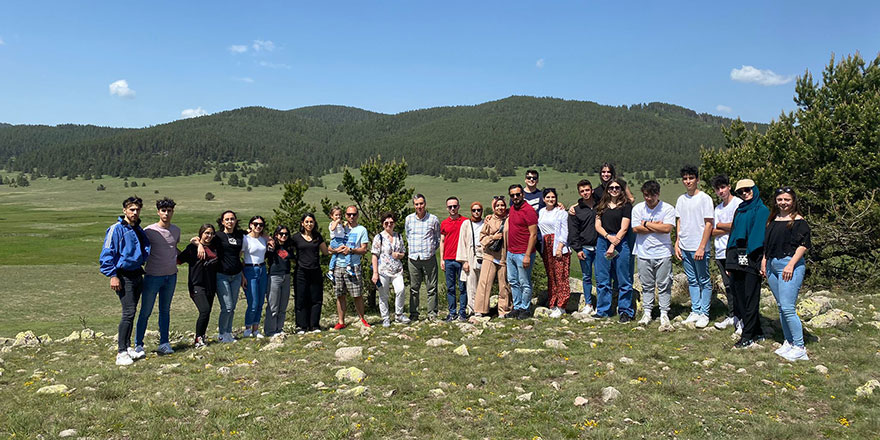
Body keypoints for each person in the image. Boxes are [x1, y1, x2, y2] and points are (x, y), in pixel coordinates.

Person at [99, 196, 151, 366]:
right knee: (128, 312)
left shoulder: (137, 229)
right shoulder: (116, 229)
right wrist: (113, 275)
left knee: (132, 311)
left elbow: (144, 247)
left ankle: (128, 347)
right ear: (124, 210)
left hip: (137, 273)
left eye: (137, 209)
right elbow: (107, 252)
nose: (135, 212)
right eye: (131, 209)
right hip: (123, 275)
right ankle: (121, 352)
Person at [763, 187, 811, 361]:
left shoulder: (799, 221)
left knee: (788, 307)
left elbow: (803, 245)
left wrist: (790, 265)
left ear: (793, 201)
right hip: (772, 264)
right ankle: (788, 341)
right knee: (781, 307)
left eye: (787, 200)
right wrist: (764, 261)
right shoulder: (773, 219)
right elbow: (767, 242)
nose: (783, 203)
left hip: (789, 264)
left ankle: (799, 346)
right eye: (780, 199)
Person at [726, 179, 769, 349]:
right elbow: (733, 234)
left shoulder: (762, 210)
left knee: (750, 295)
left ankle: (747, 335)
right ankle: (756, 330)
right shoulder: (740, 209)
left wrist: (761, 261)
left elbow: (761, 237)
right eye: (741, 192)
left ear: (754, 189)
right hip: (736, 255)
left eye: (747, 190)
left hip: (753, 255)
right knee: (739, 295)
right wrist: (729, 260)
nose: (744, 193)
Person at [135, 197, 181, 356]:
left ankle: (164, 343)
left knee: (165, 311)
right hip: (153, 276)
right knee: (145, 311)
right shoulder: (149, 231)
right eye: (163, 210)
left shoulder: (176, 230)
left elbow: (174, 249)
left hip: (171, 276)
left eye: (169, 211)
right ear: (158, 212)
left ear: (172, 212)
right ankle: (138, 344)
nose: (166, 213)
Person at [674, 165, 715, 329]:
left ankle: (704, 313)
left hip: (699, 247)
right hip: (685, 246)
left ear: (697, 179)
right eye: (685, 178)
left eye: (691, 178)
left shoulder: (705, 198)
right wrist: (677, 242)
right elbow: (679, 221)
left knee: (704, 280)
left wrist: (702, 246)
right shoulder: (681, 199)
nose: (688, 181)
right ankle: (695, 310)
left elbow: (709, 224)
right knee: (692, 280)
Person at [631, 180, 676, 328]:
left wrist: (645, 224)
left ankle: (664, 313)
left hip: (663, 251)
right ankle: (647, 312)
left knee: (664, 284)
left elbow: (667, 229)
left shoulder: (668, 208)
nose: (648, 199)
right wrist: (657, 225)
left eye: (652, 195)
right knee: (647, 285)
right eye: (646, 195)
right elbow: (636, 229)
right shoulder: (638, 208)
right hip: (644, 252)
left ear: (658, 194)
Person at [594, 178, 635, 322]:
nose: (614, 190)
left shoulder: (626, 206)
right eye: (611, 188)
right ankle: (603, 310)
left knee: (624, 279)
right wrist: (607, 237)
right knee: (602, 278)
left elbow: (624, 228)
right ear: (607, 190)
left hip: (620, 242)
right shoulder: (602, 205)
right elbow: (597, 225)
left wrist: (613, 244)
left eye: (617, 188)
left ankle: (625, 311)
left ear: (621, 190)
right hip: (603, 241)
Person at [710, 175, 743, 332]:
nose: (721, 191)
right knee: (728, 286)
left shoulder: (738, 204)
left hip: (736, 250)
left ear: (729, 187)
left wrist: (721, 225)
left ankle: (743, 318)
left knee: (739, 285)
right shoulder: (717, 209)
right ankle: (733, 315)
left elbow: (739, 225)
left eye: (723, 187)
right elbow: (712, 231)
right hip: (721, 252)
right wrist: (726, 227)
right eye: (717, 189)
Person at [177, 224, 218, 348]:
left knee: (208, 311)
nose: (209, 236)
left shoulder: (215, 247)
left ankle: (202, 336)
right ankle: (198, 339)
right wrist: (198, 244)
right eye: (206, 233)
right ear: (201, 233)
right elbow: (179, 260)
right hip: (197, 285)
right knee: (204, 310)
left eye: (211, 233)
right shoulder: (192, 248)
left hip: (211, 284)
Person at [330, 205, 370, 329]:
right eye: (348, 214)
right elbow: (330, 247)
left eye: (354, 214)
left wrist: (351, 250)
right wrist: (336, 250)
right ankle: (341, 321)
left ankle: (362, 319)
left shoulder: (361, 230)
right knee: (340, 294)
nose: (351, 217)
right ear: (345, 215)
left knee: (357, 294)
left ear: (357, 215)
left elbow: (364, 249)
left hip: (353, 265)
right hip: (338, 265)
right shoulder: (339, 226)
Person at [208, 210, 245, 343]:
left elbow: (255, 235)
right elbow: (202, 237)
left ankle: (229, 333)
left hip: (236, 275)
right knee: (227, 307)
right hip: (222, 275)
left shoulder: (240, 235)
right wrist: (198, 244)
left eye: (232, 219)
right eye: (227, 219)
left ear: (236, 221)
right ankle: (222, 334)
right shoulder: (217, 236)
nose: (230, 221)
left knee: (233, 306)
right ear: (222, 221)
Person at [289, 214, 330, 333]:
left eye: (311, 222)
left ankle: (314, 325)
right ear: (302, 223)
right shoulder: (296, 237)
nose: (309, 224)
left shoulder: (317, 236)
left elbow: (325, 251)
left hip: (315, 270)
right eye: (306, 222)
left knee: (316, 298)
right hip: (301, 271)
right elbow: (289, 251)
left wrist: (338, 249)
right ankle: (301, 326)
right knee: (301, 298)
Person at [405, 194, 441, 321]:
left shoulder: (433, 219)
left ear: (425, 204)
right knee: (414, 288)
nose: (419, 206)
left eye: (421, 203)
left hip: (428, 257)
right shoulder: (408, 219)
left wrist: (430, 249)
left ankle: (432, 313)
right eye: (416, 204)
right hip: (413, 258)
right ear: (413, 205)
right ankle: (414, 313)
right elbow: (407, 235)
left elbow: (437, 238)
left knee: (432, 287)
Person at [474, 196, 512, 318]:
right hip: (489, 255)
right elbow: (482, 238)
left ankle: (504, 310)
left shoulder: (510, 219)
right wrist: (492, 238)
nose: (500, 208)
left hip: (504, 256)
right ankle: (480, 309)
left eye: (502, 205)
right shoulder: (489, 220)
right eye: (497, 206)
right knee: (484, 282)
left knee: (504, 285)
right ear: (493, 207)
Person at [505, 184, 539, 319]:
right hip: (511, 252)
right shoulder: (512, 209)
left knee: (524, 282)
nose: (515, 197)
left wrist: (527, 255)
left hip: (523, 253)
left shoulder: (529, 211)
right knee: (513, 281)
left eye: (518, 194)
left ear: (523, 195)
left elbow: (533, 235)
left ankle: (525, 308)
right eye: (512, 195)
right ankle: (517, 307)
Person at [538, 188, 571, 318]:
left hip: (558, 245)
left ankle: (562, 305)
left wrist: (559, 246)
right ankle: (553, 302)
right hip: (546, 245)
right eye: (548, 197)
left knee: (561, 275)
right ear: (543, 199)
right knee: (551, 275)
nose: (551, 199)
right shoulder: (541, 212)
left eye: (553, 197)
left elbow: (565, 231)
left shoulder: (561, 213)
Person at [371, 212, 408, 327]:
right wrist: (375, 273)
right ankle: (385, 318)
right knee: (383, 295)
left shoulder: (399, 236)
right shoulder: (379, 237)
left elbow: (403, 252)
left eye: (391, 222)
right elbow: (374, 255)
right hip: (383, 270)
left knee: (400, 290)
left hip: (397, 270)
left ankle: (399, 314)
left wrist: (399, 255)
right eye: (386, 223)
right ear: (383, 224)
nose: (389, 225)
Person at [568, 179, 599, 315]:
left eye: (587, 190)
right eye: (582, 191)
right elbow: (573, 231)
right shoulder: (576, 210)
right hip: (585, 248)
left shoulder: (601, 205)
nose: (585, 193)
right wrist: (578, 249)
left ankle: (602, 304)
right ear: (579, 193)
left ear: (592, 190)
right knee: (586, 277)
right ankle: (588, 304)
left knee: (601, 276)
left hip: (601, 247)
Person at [242, 216, 270, 338]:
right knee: (252, 302)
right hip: (249, 269)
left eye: (261, 225)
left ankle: (256, 329)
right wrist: (242, 275)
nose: (258, 226)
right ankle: (247, 328)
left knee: (260, 302)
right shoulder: (245, 239)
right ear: (250, 225)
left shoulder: (263, 239)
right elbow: (238, 257)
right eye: (255, 224)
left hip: (262, 269)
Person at [440, 196, 468, 322]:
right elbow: (442, 241)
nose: (453, 209)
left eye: (455, 206)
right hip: (449, 259)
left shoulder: (465, 221)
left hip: (461, 259)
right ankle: (452, 313)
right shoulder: (444, 223)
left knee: (463, 287)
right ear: (447, 208)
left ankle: (462, 313)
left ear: (459, 207)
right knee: (450, 288)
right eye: (450, 206)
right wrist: (442, 259)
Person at [264, 225, 294, 336]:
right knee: (273, 305)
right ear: (276, 235)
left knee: (283, 305)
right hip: (274, 276)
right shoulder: (272, 246)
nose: (284, 236)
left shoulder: (289, 246)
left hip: (286, 276)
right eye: (281, 234)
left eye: (286, 234)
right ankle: (270, 330)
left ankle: (279, 328)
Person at [456, 202, 485, 318]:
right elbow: (462, 242)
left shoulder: (485, 223)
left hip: (483, 253)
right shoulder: (466, 224)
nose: (476, 212)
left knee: (482, 283)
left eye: (479, 210)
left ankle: (482, 307)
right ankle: (472, 308)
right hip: (470, 253)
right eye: (474, 210)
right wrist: (464, 261)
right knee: (471, 283)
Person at [327, 207, 354, 281]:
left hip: (340, 240)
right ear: (331, 216)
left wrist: (342, 223)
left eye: (339, 215)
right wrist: (336, 222)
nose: (338, 217)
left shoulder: (340, 223)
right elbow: (332, 228)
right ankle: (348, 266)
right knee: (346, 250)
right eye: (336, 215)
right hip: (336, 241)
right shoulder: (332, 223)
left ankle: (330, 271)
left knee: (334, 256)